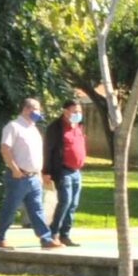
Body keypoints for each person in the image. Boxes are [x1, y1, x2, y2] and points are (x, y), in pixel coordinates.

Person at [0, 96, 55, 249]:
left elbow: (36, 154)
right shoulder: (13, 126)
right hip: (18, 177)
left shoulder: (33, 129)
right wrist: (15, 169)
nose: (39, 112)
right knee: (11, 208)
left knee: (37, 209)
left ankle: (46, 239)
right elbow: (5, 149)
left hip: (34, 177)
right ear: (26, 109)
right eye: (36, 109)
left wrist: (39, 173)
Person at [45, 93, 89, 245]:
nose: (78, 114)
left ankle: (65, 234)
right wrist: (46, 171)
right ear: (65, 111)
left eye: (79, 111)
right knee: (65, 201)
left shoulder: (79, 126)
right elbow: (48, 150)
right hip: (63, 170)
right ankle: (53, 233)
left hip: (76, 171)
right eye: (74, 111)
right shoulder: (56, 128)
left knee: (73, 204)